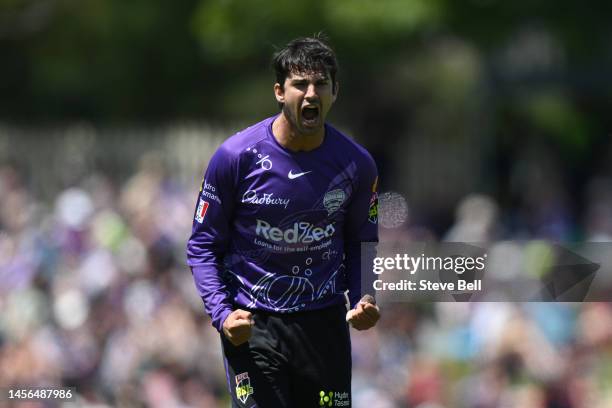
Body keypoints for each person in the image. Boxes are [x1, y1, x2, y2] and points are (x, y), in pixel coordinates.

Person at [186, 35, 380, 408]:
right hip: (253, 325)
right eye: (300, 84)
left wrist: (363, 297)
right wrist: (223, 314)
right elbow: (202, 245)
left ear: (334, 92)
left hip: (324, 325)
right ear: (279, 91)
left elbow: (362, 243)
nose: (311, 94)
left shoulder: (357, 164)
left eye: (321, 84)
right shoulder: (235, 157)